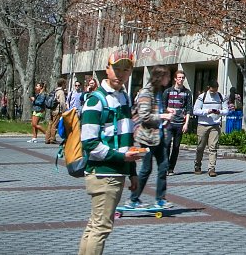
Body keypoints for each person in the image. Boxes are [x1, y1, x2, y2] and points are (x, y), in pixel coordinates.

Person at [77, 51, 145, 255]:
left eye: (126, 69)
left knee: (95, 225)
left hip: (117, 172)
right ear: (107, 69)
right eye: (116, 69)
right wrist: (122, 158)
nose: (120, 74)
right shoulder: (96, 100)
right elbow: (89, 143)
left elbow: (126, 138)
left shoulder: (123, 97)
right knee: (101, 227)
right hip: (103, 173)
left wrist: (131, 169)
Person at [125, 67, 170, 210]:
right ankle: (133, 199)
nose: (169, 80)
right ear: (160, 77)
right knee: (146, 169)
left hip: (158, 136)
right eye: (167, 77)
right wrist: (162, 116)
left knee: (163, 167)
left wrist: (167, 113)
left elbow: (156, 112)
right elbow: (144, 116)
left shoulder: (158, 92)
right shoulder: (146, 92)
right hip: (145, 138)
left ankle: (160, 199)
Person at [160, 69, 193, 175]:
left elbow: (188, 109)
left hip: (180, 123)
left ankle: (171, 168)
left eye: (183, 78)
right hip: (169, 123)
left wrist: (186, 123)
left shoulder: (187, 93)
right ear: (175, 79)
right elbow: (162, 106)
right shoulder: (168, 91)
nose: (181, 79)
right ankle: (164, 167)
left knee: (176, 147)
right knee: (167, 145)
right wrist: (168, 110)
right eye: (179, 77)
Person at [194, 82, 227, 176]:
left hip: (215, 125)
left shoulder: (221, 97)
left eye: (216, 89)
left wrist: (219, 112)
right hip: (202, 124)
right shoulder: (202, 96)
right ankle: (197, 165)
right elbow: (195, 110)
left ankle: (211, 168)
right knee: (200, 147)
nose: (214, 91)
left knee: (213, 147)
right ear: (209, 87)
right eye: (213, 89)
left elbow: (226, 110)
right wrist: (206, 111)